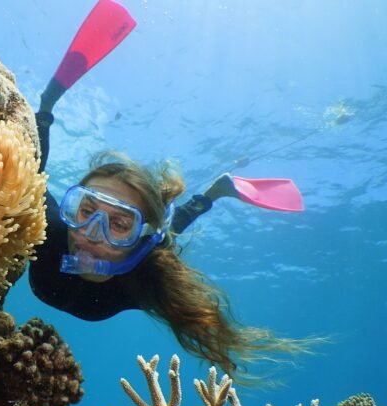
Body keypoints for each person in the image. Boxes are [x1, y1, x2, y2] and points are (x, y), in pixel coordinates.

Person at [28, 84, 316, 380]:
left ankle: (214, 194)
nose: (91, 233)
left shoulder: (144, 277)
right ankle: (47, 103)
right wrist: (44, 115)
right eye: (86, 211)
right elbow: (32, 172)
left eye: (119, 225)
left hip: (152, 246)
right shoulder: (46, 227)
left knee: (168, 237)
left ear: (138, 239)